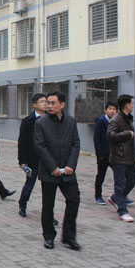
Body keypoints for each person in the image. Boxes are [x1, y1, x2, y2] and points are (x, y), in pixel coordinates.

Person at [34, 91, 81, 251]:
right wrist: (53, 167)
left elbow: (75, 144)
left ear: (62, 104)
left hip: (68, 171)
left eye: (53, 103)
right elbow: (40, 146)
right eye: (48, 103)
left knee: (74, 200)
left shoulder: (71, 122)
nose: (49, 106)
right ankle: (48, 236)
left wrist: (71, 165)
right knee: (48, 205)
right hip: (49, 172)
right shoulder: (41, 123)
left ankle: (69, 236)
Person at [107, 94, 135, 222]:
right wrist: (127, 134)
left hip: (129, 156)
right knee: (120, 185)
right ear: (126, 106)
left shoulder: (128, 118)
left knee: (132, 181)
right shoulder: (116, 119)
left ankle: (115, 198)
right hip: (119, 157)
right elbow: (110, 135)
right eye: (132, 103)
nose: (133, 106)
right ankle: (122, 210)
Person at [17, 93, 47, 217]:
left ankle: (48, 214)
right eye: (42, 101)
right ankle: (22, 205)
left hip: (47, 160)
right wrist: (22, 161)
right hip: (32, 160)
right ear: (35, 104)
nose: (45, 104)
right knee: (29, 184)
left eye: (46, 101)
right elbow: (22, 142)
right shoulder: (27, 121)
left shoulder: (51, 119)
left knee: (48, 189)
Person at [93, 101, 118, 205]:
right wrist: (99, 154)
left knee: (119, 175)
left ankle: (119, 196)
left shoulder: (116, 121)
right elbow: (96, 139)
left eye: (114, 109)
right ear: (105, 110)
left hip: (114, 155)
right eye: (110, 109)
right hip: (103, 155)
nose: (112, 111)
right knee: (101, 176)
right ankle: (98, 196)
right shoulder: (101, 121)